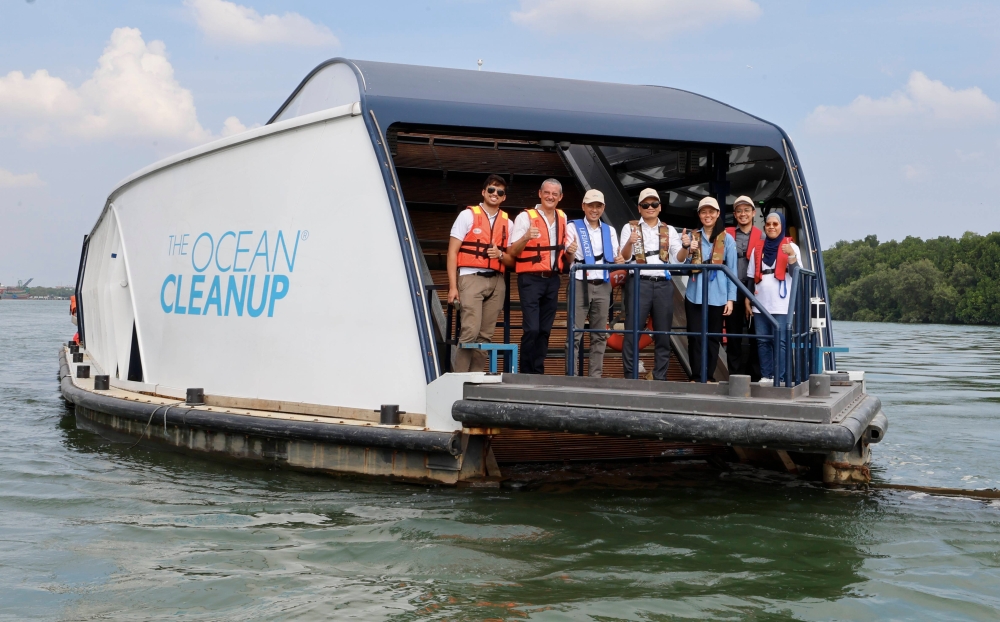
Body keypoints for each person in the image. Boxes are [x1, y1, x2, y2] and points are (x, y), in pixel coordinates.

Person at [507, 178, 578, 374]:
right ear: (540, 193)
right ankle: (525, 372)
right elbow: (512, 251)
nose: (550, 196)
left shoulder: (563, 218)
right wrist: (526, 237)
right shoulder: (525, 217)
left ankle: (538, 371)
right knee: (532, 329)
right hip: (530, 278)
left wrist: (571, 251)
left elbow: (567, 255)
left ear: (560, 197)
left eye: (555, 194)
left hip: (553, 279)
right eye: (547, 192)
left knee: (545, 329)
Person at [618, 188, 685, 380]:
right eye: (646, 205)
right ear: (639, 208)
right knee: (632, 332)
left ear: (660, 207)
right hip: (639, 283)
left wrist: (686, 247)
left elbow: (678, 259)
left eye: (654, 204)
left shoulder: (669, 230)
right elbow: (624, 257)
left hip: (663, 283)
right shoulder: (629, 228)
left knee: (663, 334)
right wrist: (630, 242)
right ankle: (631, 377)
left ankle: (659, 377)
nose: (650, 207)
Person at [446, 174, 511, 372]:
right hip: (470, 277)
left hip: (497, 281)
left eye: (499, 192)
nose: (495, 194)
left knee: (486, 335)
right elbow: (452, 252)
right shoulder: (468, 215)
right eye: (491, 190)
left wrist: (500, 254)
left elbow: (511, 260)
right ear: (483, 192)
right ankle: (458, 382)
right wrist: (452, 287)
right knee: (469, 332)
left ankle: (476, 382)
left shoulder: (509, 222)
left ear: (503, 197)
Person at [566, 189, 624, 377]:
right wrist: (571, 251)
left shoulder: (610, 230)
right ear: (583, 206)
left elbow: (616, 257)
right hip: (579, 282)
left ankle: (595, 378)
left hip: (603, 284)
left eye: (598, 206)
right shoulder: (573, 227)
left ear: (603, 208)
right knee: (574, 334)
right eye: (591, 205)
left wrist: (620, 260)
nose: (594, 209)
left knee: (599, 334)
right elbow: (568, 258)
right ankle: (572, 378)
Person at [682, 196, 737, 382]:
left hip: (718, 295)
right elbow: (683, 267)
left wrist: (731, 298)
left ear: (718, 214)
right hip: (694, 294)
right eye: (704, 212)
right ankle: (696, 375)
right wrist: (688, 250)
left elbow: (732, 271)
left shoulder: (727, 240)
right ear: (699, 214)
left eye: (711, 212)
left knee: (713, 338)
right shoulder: (692, 237)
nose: (707, 215)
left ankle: (709, 376)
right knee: (695, 337)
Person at [746, 211, 800, 386]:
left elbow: (797, 274)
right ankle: (766, 376)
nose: (771, 227)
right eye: (768, 224)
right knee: (762, 341)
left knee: (782, 342)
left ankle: (782, 377)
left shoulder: (791, 247)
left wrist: (791, 255)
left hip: (782, 304)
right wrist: (748, 298)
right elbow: (750, 277)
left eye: (775, 224)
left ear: (781, 226)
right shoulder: (757, 249)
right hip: (760, 302)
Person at [724, 195, 763, 380]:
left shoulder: (762, 236)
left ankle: (755, 375)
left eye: (747, 210)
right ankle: (735, 375)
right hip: (731, 290)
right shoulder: (725, 235)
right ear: (734, 214)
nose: (743, 214)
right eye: (739, 211)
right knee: (733, 336)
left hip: (754, 291)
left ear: (753, 213)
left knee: (756, 334)